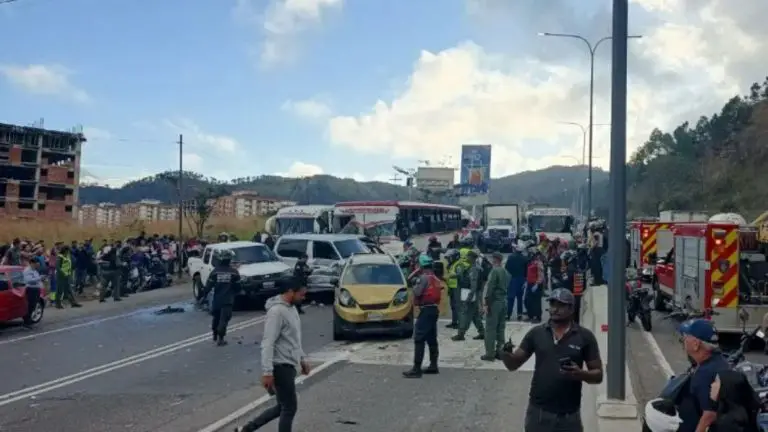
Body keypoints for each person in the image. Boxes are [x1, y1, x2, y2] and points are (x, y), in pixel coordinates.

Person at [500, 288, 603, 432]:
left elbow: (598, 375)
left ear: (571, 308)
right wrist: (505, 354)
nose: (555, 309)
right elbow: (513, 365)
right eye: (553, 305)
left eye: (560, 305)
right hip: (539, 414)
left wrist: (580, 374)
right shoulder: (536, 334)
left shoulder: (585, 337)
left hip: (569, 417)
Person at [236, 279, 309, 432]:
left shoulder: (292, 309)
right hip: (280, 365)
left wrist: (302, 358)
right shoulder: (276, 312)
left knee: (281, 407)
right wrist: (267, 372)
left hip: (289, 363)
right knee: (289, 408)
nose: (303, 298)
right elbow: (268, 343)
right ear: (290, 291)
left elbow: (294, 338)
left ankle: (246, 429)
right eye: (301, 294)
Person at [676, 318, 729, 432]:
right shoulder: (719, 361)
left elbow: (709, 415)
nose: (682, 341)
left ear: (696, 344)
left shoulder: (704, 374)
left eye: (684, 338)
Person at [403, 254, 442, 378]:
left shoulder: (423, 278)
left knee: (419, 338)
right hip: (434, 309)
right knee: (431, 338)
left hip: (426, 310)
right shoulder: (435, 278)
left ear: (421, 265)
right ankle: (433, 365)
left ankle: (416, 368)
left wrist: (415, 282)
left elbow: (417, 291)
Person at [203, 249, 241, 346]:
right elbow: (238, 287)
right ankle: (221, 338)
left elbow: (208, 285)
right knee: (224, 319)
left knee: (216, 318)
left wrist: (203, 296)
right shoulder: (234, 272)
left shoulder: (215, 272)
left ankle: (215, 334)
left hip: (217, 299)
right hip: (228, 300)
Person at [481, 252, 510, 361]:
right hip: (503, 301)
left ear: (494, 259)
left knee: (490, 329)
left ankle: (489, 353)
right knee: (501, 328)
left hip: (495, 302)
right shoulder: (506, 272)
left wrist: (486, 303)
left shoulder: (494, 271)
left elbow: (490, 289)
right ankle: (500, 351)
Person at [451, 249, 485, 341]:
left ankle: (461, 334)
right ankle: (482, 332)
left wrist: (468, 299)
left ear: (472, 258)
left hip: (470, 295)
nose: (467, 258)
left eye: (469, 256)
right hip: (473, 295)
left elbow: (473, 286)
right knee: (475, 315)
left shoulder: (473, 269)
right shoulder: (476, 267)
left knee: (465, 314)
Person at [505, 245, 528, 321]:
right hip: (521, 279)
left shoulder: (510, 257)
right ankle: (519, 314)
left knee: (510, 298)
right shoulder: (524, 258)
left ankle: (508, 314)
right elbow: (526, 271)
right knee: (519, 298)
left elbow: (507, 268)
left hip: (512, 279)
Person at [524, 251, 545, 323]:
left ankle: (537, 317)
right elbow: (529, 273)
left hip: (536, 284)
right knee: (528, 301)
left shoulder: (539, 263)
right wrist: (526, 282)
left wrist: (537, 284)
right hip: (530, 283)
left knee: (536, 301)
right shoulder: (532, 262)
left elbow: (541, 275)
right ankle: (531, 315)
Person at [22, 258, 43, 325]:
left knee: (34, 305)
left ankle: (28, 319)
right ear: (32, 263)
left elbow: (37, 280)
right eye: (36, 264)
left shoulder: (35, 271)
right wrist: (39, 278)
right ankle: (26, 321)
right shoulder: (27, 271)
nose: (38, 265)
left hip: (36, 289)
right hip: (31, 290)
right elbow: (28, 280)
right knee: (31, 305)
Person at [444, 249, 461, 329]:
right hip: (452, 287)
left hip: (457, 287)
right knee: (453, 306)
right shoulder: (452, 265)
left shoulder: (458, 264)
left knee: (457, 305)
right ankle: (454, 322)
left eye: (450, 258)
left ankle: (459, 323)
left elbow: (459, 275)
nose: (448, 259)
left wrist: (449, 276)